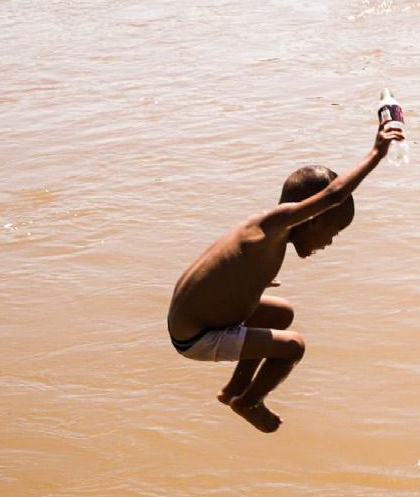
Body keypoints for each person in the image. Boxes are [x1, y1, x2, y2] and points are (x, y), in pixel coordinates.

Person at [167, 114, 404, 433]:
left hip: (194, 321)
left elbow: (221, 266)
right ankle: (249, 401)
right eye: (332, 232)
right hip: (197, 337)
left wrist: (251, 280)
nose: (329, 243)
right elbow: (334, 195)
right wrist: (376, 153)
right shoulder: (274, 226)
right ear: (313, 218)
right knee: (293, 346)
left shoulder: (263, 232)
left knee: (281, 314)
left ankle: (234, 389)